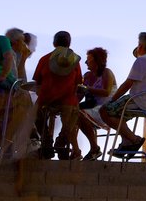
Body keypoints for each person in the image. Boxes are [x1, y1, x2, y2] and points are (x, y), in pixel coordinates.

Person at [100, 32, 146, 153]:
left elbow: (127, 84)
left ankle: (134, 139)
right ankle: (126, 143)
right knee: (118, 115)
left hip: (141, 101)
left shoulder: (142, 60)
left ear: (140, 46)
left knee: (104, 110)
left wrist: (112, 100)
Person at [31, 31, 83, 160]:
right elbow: (78, 83)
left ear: (54, 43)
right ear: (69, 43)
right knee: (74, 112)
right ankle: (62, 141)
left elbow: (37, 83)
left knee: (34, 113)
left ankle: (46, 141)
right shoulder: (74, 60)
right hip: (68, 101)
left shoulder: (44, 59)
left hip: (46, 99)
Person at [77, 46, 116, 160]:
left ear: (97, 61)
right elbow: (80, 96)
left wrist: (87, 88)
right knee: (71, 112)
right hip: (92, 108)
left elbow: (106, 92)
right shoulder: (87, 76)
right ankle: (75, 150)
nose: (86, 63)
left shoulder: (107, 73)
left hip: (105, 110)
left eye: (88, 60)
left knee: (77, 114)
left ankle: (94, 148)